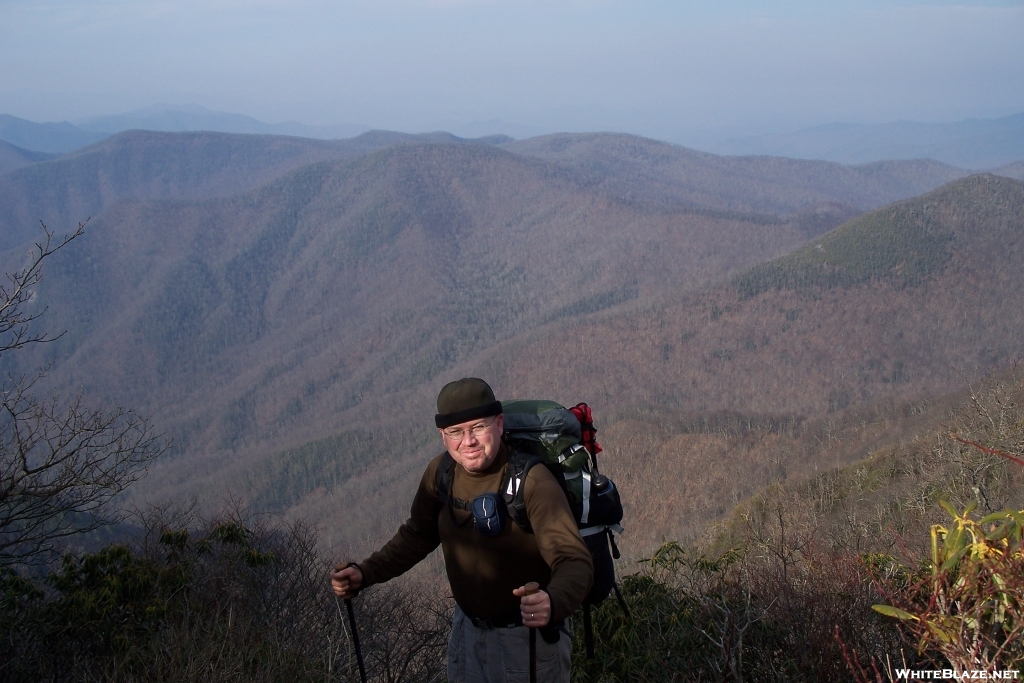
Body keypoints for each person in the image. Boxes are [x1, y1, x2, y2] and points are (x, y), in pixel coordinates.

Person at [331, 377, 593, 683]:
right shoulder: (440, 474)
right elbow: (417, 535)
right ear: (443, 436)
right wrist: (364, 573)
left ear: (498, 423)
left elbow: (574, 560)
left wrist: (551, 600)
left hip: (526, 640)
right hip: (466, 633)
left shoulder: (532, 482)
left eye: (478, 427)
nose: (467, 441)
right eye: (456, 432)